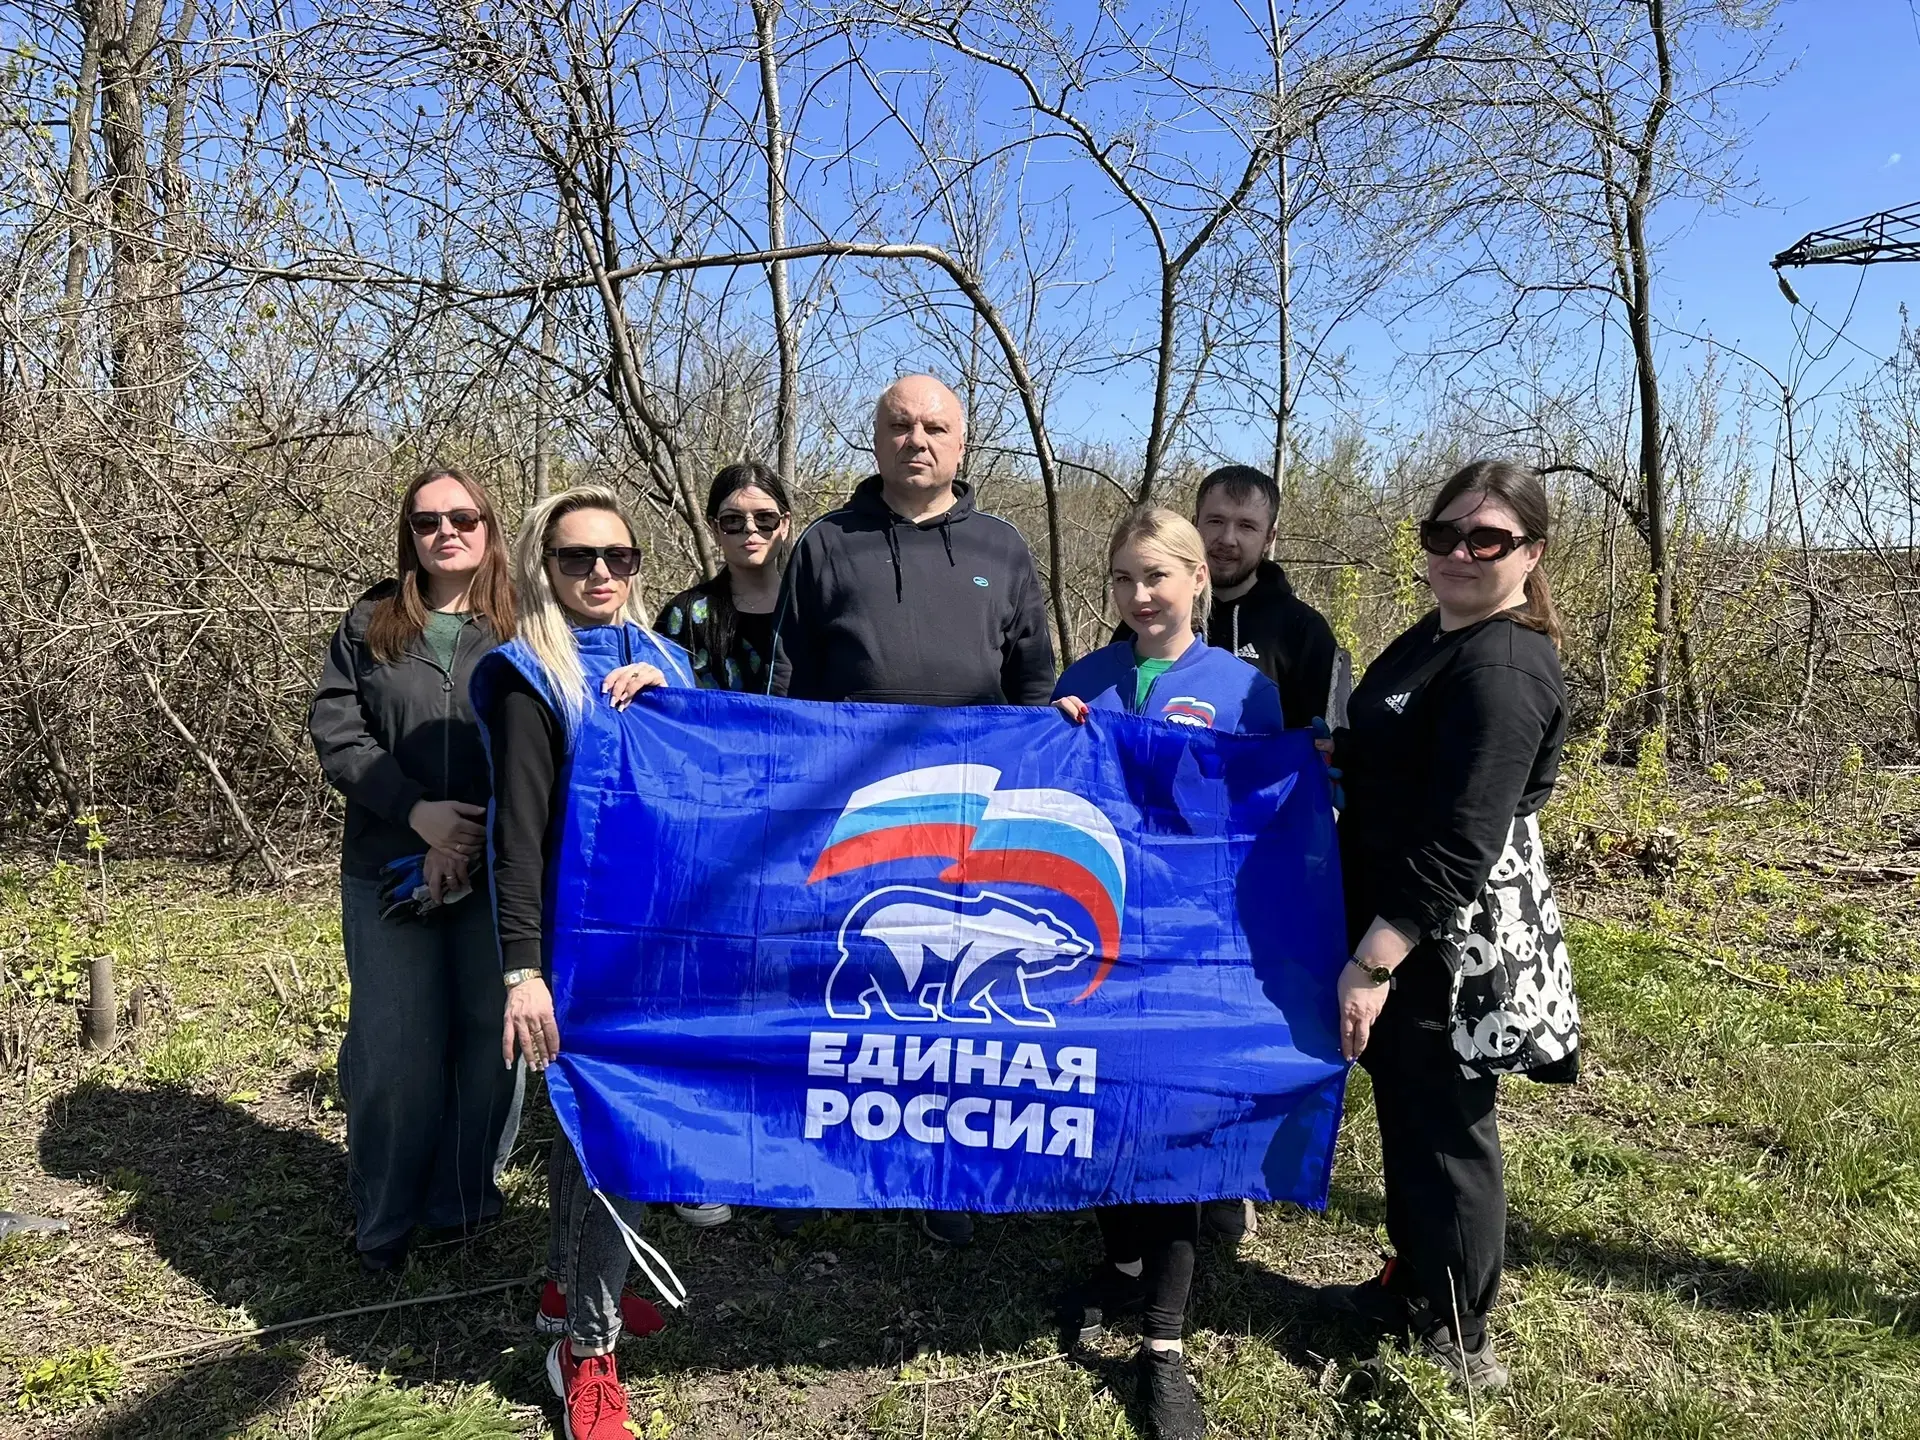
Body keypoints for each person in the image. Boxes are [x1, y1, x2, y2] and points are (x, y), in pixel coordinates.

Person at [770, 373, 1058, 1248]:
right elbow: (786, 687)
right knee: (858, 989)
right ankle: (842, 1152)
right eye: (900, 425)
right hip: (855, 815)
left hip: (972, 820)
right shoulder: (825, 544)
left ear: (962, 444)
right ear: (876, 437)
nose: (917, 440)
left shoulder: (1004, 547)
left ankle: (945, 1169)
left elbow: (1035, 685)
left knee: (952, 1005)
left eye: (935, 427)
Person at [1316, 460, 1572, 1393]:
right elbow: (1402, 751)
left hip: (1444, 941)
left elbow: (1463, 839)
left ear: (1530, 554)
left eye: (1488, 539)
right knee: (1410, 1110)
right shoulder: (1439, 634)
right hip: (1397, 920)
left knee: (1446, 1127)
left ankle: (1461, 1336)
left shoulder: (1502, 666)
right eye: (1444, 534)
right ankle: (1415, 1282)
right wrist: (1333, 752)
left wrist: (1375, 962)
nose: (1461, 553)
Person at [1050, 507, 1283, 1440]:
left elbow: (1269, 815)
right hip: (1094, 939)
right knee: (1102, 1111)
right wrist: (1053, 735)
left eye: (1156, 576)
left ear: (1197, 580)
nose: (1140, 595)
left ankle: (1163, 1346)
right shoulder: (1084, 679)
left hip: (1193, 943)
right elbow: (1046, 801)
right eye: (1123, 578)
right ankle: (1121, 1266)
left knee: (1172, 1133)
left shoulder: (1243, 690)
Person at [473, 486, 696, 1440]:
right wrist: (522, 970)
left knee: (595, 1133)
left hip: (664, 940)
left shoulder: (670, 659)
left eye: (618, 555)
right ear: (544, 566)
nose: (600, 572)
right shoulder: (531, 675)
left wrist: (676, 705)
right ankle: (588, 1355)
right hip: (580, 950)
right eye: (577, 557)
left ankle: (567, 1291)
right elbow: (517, 841)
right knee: (614, 1134)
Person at [1115, 463, 1337, 1242]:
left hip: (1244, 873)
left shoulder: (1302, 631)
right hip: (1146, 876)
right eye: (1216, 521)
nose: (1229, 537)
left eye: (1246, 526)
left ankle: (1229, 1172)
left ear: (1270, 537)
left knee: (1228, 1024)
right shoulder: (1139, 621)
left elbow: (1315, 751)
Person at [308, 466, 522, 1273]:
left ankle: (464, 1203)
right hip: (388, 866)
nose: (446, 533)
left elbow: (553, 734)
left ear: (489, 528)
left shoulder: (527, 622)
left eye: (463, 518)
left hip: (497, 873)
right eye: (428, 521)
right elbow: (338, 731)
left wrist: (468, 840)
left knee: (489, 1044)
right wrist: (417, 814)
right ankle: (386, 1218)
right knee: (395, 1049)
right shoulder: (371, 622)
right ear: (410, 534)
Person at [655, 461, 793, 693]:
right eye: (733, 520)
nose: (750, 528)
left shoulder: (812, 609)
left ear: (784, 524)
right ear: (714, 528)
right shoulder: (683, 615)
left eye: (765, 517)